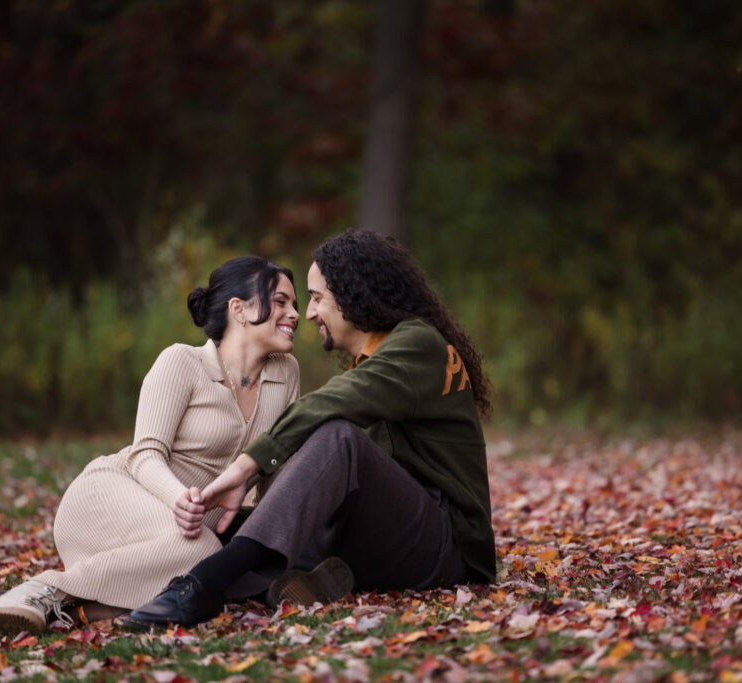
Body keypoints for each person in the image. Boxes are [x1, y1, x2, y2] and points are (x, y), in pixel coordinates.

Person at [123, 230, 495, 630]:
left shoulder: (417, 344)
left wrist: (247, 466)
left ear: (354, 293)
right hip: (395, 534)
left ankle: (205, 585)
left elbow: (329, 405)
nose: (310, 313)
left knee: (338, 438)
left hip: (446, 549)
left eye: (317, 298)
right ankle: (268, 584)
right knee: (243, 530)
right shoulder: (376, 358)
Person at [0, 256, 301, 634]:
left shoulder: (286, 372)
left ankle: (33, 607)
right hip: (112, 497)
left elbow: (276, 467)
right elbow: (145, 454)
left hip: (180, 535)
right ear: (239, 309)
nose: (295, 314)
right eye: (281, 302)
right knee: (204, 554)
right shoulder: (182, 362)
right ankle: (45, 587)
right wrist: (179, 499)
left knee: (209, 571)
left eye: (294, 304)